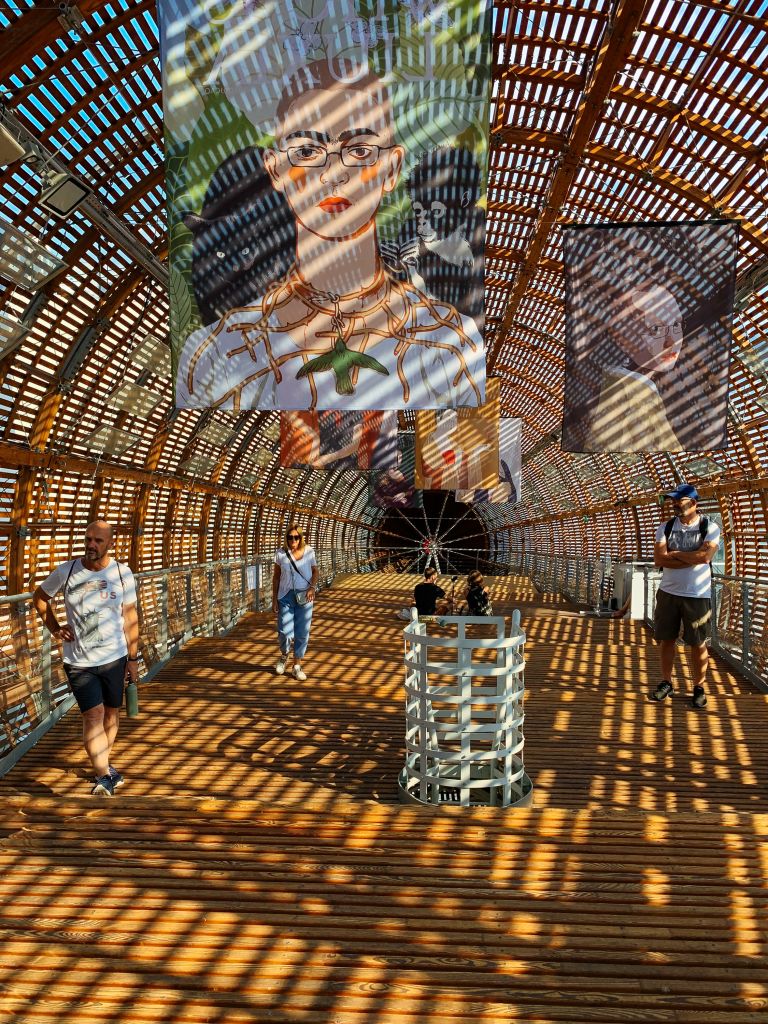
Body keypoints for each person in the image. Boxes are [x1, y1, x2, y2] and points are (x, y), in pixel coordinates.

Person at [176, 60, 485, 411]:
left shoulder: (451, 345)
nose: (333, 174)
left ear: (392, 168)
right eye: (307, 152)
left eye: (359, 151)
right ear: (276, 169)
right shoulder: (218, 351)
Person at [32, 520, 139, 797]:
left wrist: (133, 658)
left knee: (112, 713)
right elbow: (40, 598)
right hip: (79, 661)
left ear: (110, 543)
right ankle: (104, 775)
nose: (91, 545)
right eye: (88, 539)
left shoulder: (122, 573)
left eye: (98, 541)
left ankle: (103, 762)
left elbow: (130, 617)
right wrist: (55, 628)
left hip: (115, 657)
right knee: (94, 714)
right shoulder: (66, 572)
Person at [584, 281, 684, 452]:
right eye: (655, 328)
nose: (671, 342)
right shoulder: (626, 391)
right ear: (621, 338)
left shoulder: (640, 386)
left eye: (676, 325)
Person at [648, 483, 721, 709]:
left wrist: (676, 554)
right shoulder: (665, 528)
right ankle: (666, 682)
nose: (676, 504)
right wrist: (691, 556)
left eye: (680, 500)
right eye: (674, 501)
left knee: (698, 643)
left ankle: (698, 686)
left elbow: (704, 558)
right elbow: (660, 560)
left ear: (694, 503)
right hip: (668, 592)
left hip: (697, 595)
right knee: (666, 639)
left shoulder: (710, 527)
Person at [272, 524, 318, 681]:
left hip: (305, 596)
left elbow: (315, 571)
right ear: (286, 538)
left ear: (300, 537)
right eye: (290, 537)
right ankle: (284, 656)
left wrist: (312, 587)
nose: (293, 540)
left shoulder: (309, 551)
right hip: (284, 595)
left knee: (302, 631)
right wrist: (274, 599)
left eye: (296, 537)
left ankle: (297, 665)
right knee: (284, 629)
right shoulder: (280, 553)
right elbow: (276, 576)